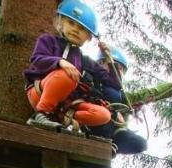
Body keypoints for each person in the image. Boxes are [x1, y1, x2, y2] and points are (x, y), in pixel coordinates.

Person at [23, 0, 115, 132]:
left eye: (82, 28)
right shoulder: (48, 40)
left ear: (88, 37)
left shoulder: (85, 60)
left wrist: (108, 58)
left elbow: (113, 82)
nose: (75, 29)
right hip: (40, 93)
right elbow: (37, 59)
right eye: (71, 23)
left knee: (104, 115)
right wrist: (60, 62)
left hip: (66, 106)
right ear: (61, 23)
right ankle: (40, 115)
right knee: (68, 75)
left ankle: (65, 120)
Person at [88, 45, 172, 154]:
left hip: (114, 134)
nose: (118, 71)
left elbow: (151, 93)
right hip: (92, 125)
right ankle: (104, 142)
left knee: (140, 143)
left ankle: (110, 145)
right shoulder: (90, 83)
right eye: (115, 66)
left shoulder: (124, 96)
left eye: (121, 69)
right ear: (99, 64)